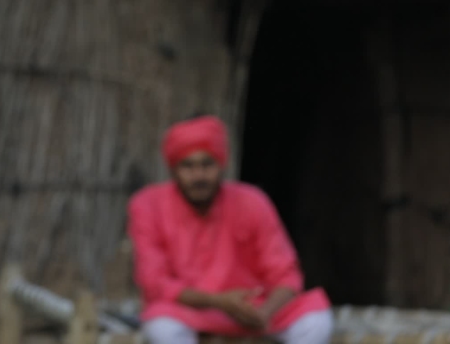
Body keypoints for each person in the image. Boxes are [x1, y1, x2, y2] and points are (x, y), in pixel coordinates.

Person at [127, 115, 333, 344]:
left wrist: (264, 313)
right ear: (173, 169)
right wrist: (218, 302)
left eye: (207, 164)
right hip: (193, 311)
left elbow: (286, 274)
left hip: (254, 310)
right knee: (163, 327)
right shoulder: (148, 205)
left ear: (221, 164)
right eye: (188, 166)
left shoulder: (252, 201)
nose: (199, 176)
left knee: (316, 321)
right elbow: (154, 282)